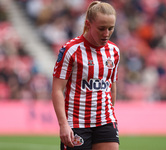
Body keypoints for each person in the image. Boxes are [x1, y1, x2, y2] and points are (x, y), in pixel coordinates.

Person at [52, 1, 120, 150]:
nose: (106, 33)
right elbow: (57, 89)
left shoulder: (114, 51)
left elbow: (111, 86)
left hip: (105, 121)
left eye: (110, 28)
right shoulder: (71, 50)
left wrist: (110, 115)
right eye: (101, 28)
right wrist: (63, 125)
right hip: (77, 123)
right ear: (88, 24)